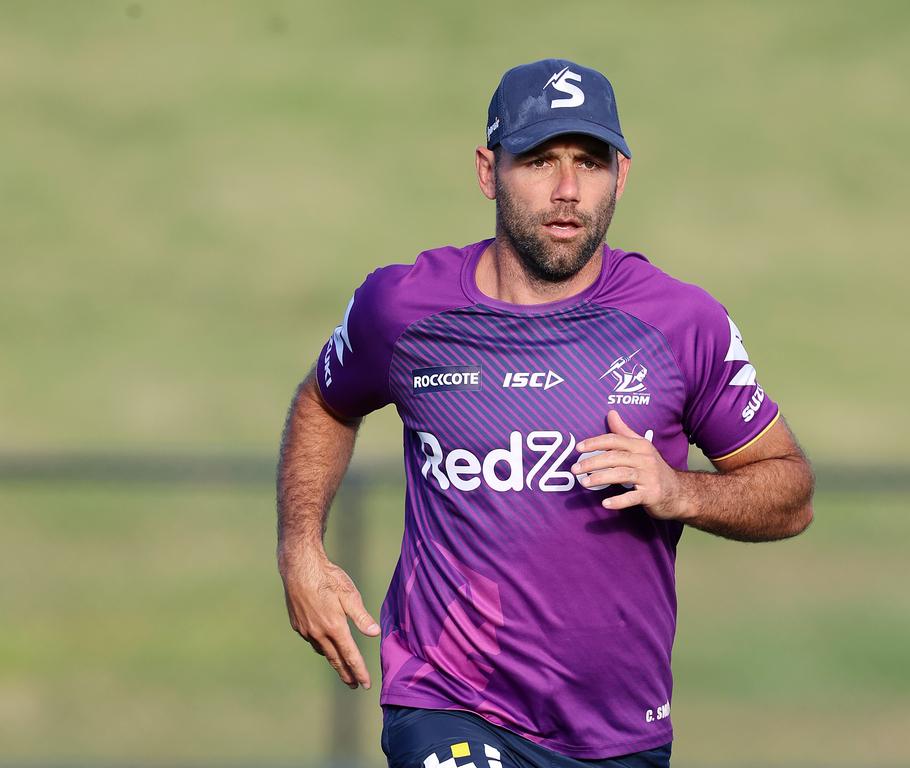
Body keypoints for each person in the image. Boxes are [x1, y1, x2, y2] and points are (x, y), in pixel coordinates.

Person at [276, 58, 814, 768]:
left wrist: (681, 491)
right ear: (487, 170)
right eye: (539, 160)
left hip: (618, 733)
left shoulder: (681, 323)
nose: (567, 190)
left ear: (620, 176)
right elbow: (325, 400)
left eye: (589, 163)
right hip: (449, 700)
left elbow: (790, 494)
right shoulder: (404, 308)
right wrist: (300, 548)